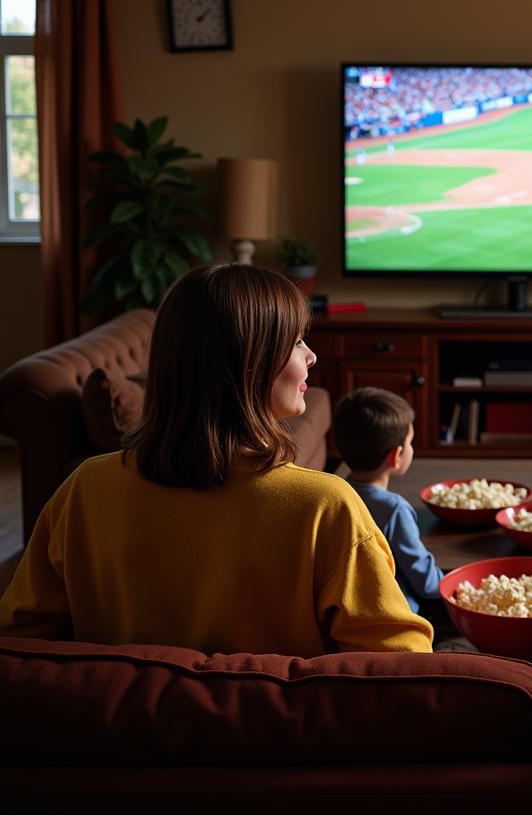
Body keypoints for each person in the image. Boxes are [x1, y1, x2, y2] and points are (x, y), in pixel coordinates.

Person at [0, 264, 434, 657]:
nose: (311, 356)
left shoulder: (85, 488)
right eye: (297, 341)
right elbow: (402, 669)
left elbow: (20, 641)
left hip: (121, 736)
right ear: (251, 364)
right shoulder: (326, 506)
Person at [332, 387, 444, 618]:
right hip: (394, 615)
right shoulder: (395, 510)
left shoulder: (333, 494)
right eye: (411, 442)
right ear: (396, 456)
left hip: (347, 613)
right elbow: (427, 583)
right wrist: (458, 583)